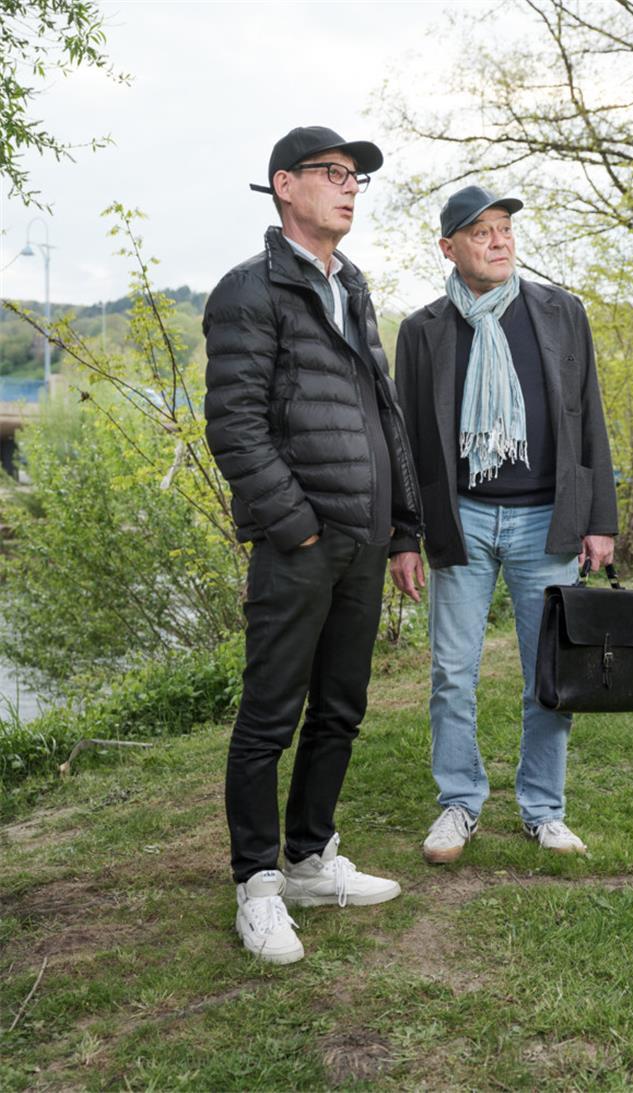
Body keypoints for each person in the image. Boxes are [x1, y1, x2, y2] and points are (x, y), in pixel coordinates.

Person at [203, 126, 422, 963]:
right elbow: (235, 423)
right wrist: (293, 523)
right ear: (283, 185)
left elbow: (382, 414)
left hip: (365, 541)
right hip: (300, 541)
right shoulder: (249, 291)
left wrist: (403, 528)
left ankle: (307, 857)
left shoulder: (351, 285)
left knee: (340, 708)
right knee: (269, 715)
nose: (351, 186)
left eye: (357, 176)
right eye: (334, 173)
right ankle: (256, 884)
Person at [389, 185, 617, 864]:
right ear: (448, 247)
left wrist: (598, 518)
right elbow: (406, 446)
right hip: (458, 518)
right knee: (451, 673)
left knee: (550, 670)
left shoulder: (560, 312)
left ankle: (544, 807)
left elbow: (590, 418)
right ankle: (459, 804)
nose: (498, 240)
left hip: (546, 518)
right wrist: (404, 535)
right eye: (480, 231)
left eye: (504, 229)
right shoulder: (423, 330)